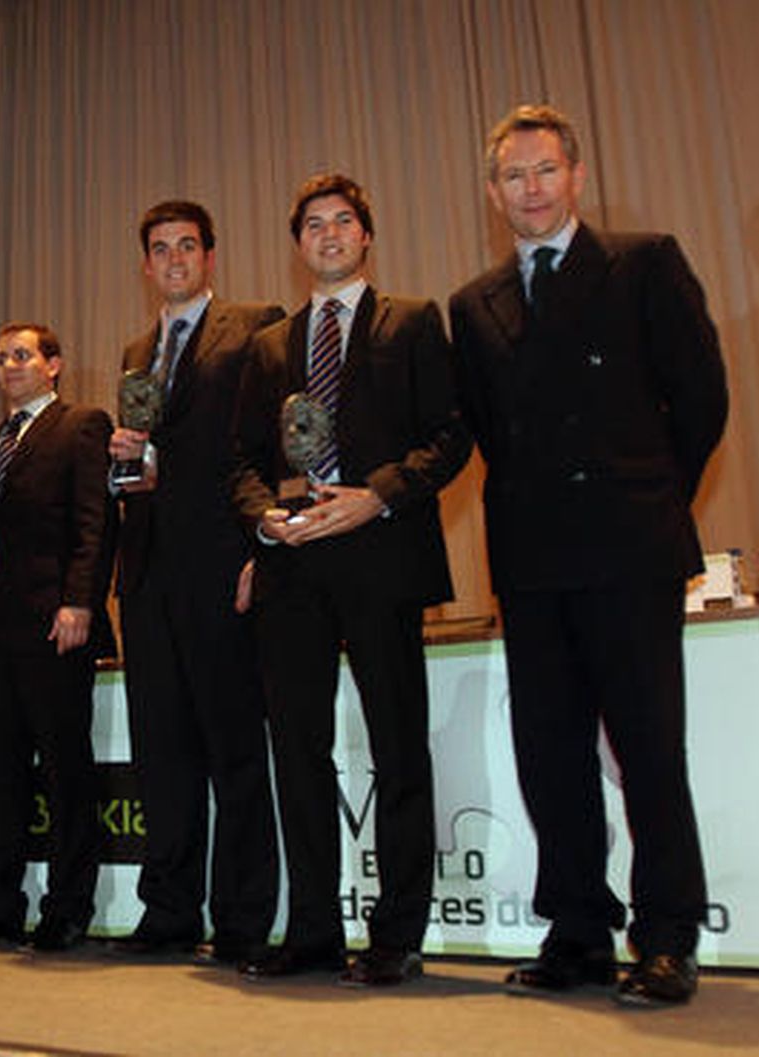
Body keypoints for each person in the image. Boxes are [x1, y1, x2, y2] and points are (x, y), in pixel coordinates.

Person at [448, 104, 728, 1006]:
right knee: (551, 754)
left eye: (545, 171)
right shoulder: (474, 304)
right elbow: (488, 431)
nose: (530, 189)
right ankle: (576, 930)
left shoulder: (644, 263)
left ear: (575, 176)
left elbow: (701, 399)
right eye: (513, 177)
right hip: (530, 560)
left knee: (649, 749)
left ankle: (668, 934)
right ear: (493, 194)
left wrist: (645, 493)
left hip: (629, 548)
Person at [231, 174, 472, 984]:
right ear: (297, 244)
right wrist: (264, 514)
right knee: (297, 752)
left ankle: (397, 932)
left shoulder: (412, 321)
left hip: (381, 556)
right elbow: (241, 462)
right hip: (292, 565)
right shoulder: (269, 345)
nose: (328, 235)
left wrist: (379, 497)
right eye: (312, 225)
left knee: (398, 747)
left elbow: (450, 434)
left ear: (365, 236)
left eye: (342, 222)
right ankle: (311, 930)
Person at [107, 201, 282, 962]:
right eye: (159, 248)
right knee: (162, 754)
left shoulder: (254, 327)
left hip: (223, 564)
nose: (174, 258)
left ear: (210, 257)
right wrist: (128, 465)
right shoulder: (135, 350)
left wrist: (260, 552)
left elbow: (268, 450)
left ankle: (244, 919)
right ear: (146, 266)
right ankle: (169, 911)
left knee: (234, 748)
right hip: (146, 573)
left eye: (187, 246)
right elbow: (151, 463)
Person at [0, 323, 115, 952]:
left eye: (21, 356)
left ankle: (67, 907)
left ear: (54, 365)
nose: (9, 367)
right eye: (0, 359)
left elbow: (96, 524)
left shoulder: (81, 425)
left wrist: (80, 602)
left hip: (54, 621)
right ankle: (0, 902)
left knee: (65, 767)